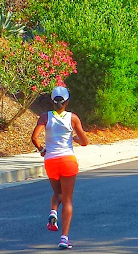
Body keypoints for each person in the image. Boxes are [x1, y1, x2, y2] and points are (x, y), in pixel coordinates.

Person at [31, 86, 88, 250]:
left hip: (51, 161)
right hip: (68, 160)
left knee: (58, 193)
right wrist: (75, 139)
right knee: (67, 199)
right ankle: (64, 238)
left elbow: (34, 137)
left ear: (52, 101)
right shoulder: (73, 118)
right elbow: (85, 141)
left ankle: (53, 211)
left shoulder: (45, 117)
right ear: (67, 101)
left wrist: (42, 150)